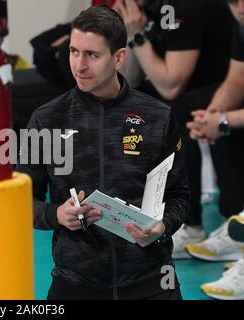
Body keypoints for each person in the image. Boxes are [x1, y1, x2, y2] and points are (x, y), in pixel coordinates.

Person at [16, 5, 189, 300]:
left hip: (152, 281)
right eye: (74, 51)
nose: (78, 65)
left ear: (119, 57)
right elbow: (19, 202)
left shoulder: (157, 117)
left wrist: (162, 227)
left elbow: (180, 196)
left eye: (91, 55)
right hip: (75, 283)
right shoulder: (46, 120)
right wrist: (56, 214)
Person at [113, 0, 235, 259]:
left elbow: (170, 85)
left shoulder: (185, 6)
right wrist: (128, 31)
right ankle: (146, 209)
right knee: (129, 104)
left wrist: (137, 34)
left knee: (174, 110)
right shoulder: (139, 9)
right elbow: (130, 79)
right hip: (189, 89)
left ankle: (195, 224)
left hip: (224, 89)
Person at [185, 0, 244, 300]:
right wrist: (212, 116)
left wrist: (223, 120)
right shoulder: (242, 21)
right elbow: (237, 78)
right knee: (192, 110)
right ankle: (238, 227)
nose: (242, 6)